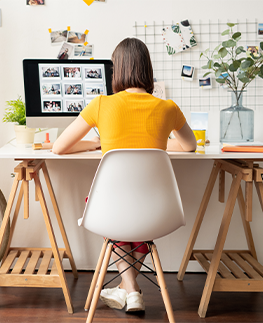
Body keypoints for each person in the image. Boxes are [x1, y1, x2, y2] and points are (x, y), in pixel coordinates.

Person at [52, 38, 196, 313]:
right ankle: (131, 291)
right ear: (148, 70)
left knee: (111, 208)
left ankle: (129, 291)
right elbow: (190, 145)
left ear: (117, 70)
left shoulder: (101, 105)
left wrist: (98, 142)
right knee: (137, 211)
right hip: (157, 212)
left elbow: (59, 147)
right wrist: (162, 142)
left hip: (110, 212)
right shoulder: (168, 108)